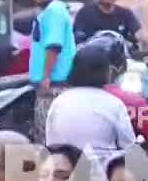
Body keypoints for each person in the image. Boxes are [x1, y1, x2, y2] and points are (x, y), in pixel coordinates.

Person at [45, 38, 136, 167]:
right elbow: (129, 146)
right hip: (102, 171)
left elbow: (50, 142)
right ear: (106, 71)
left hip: (64, 169)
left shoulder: (59, 101)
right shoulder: (114, 104)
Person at [28, 0, 76, 145]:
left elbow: (54, 46)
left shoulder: (54, 11)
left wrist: (46, 78)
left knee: (47, 137)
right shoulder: (51, 11)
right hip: (55, 83)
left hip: (54, 85)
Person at [73, 0, 145, 46]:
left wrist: (144, 41)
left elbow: (138, 33)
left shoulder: (126, 13)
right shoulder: (84, 13)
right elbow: (77, 40)